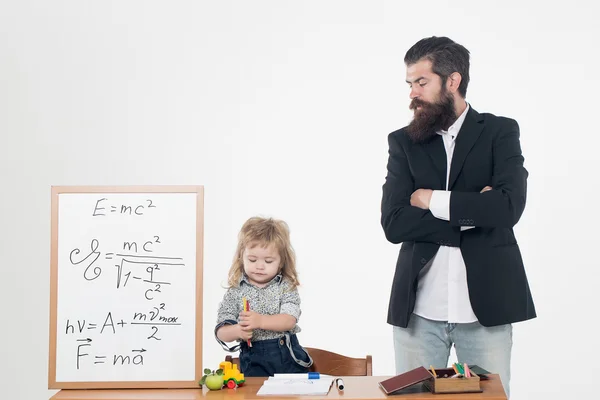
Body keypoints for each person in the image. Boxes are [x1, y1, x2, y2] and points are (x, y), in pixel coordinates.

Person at [380, 36, 536, 398]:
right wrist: (473, 209)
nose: (412, 94)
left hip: (486, 311)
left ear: (453, 81)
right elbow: (394, 223)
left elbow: (508, 208)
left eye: (422, 82)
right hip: (418, 313)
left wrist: (430, 199)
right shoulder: (403, 142)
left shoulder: (500, 132)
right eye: (410, 84)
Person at [214, 216, 313, 376]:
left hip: (286, 360)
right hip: (253, 363)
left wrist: (260, 321)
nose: (260, 266)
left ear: (280, 262)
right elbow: (221, 331)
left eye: (268, 261)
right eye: (252, 259)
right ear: (242, 257)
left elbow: (289, 319)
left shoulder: (286, 286)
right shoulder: (235, 291)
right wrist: (237, 330)